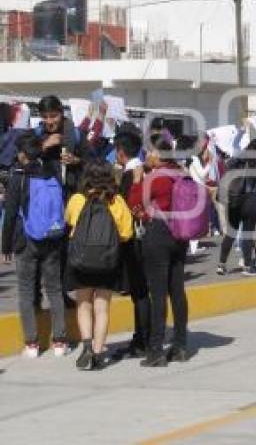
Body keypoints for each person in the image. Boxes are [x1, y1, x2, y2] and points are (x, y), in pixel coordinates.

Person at [2, 133, 70, 358]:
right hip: (52, 238)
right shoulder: (53, 172)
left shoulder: (18, 177)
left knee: (26, 290)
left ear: (22, 154)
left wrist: (5, 247)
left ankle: (32, 344)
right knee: (54, 289)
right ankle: (60, 342)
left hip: (26, 240)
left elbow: (10, 214)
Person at [127, 135, 191, 366]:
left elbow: (133, 201)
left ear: (155, 154)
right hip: (180, 234)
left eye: (148, 152)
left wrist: (136, 179)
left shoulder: (155, 178)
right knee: (177, 290)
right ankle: (181, 345)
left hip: (158, 235)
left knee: (158, 293)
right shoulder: (181, 173)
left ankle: (156, 350)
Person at [65, 159, 134, 370]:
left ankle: (86, 345)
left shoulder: (77, 199)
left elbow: (69, 223)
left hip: (81, 261)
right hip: (108, 261)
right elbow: (126, 233)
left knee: (83, 303)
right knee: (102, 307)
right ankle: (97, 352)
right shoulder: (117, 201)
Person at [114, 130, 150, 357]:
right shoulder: (146, 171)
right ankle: (145, 336)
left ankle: (141, 339)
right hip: (151, 237)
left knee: (139, 292)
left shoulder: (130, 177)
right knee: (145, 291)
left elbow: (125, 211)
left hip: (135, 241)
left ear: (120, 152)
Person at [216, 139, 256, 276]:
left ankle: (221, 265)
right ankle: (247, 267)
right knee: (247, 235)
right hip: (250, 202)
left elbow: (227, 166)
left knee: (231, 233)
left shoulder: (237, 161)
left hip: (234, 201)